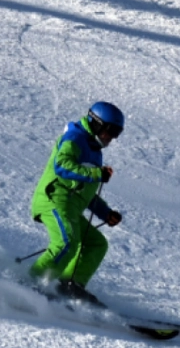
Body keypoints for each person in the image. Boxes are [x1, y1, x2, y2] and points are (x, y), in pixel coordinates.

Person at [28, 101, 125, 305]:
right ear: (97, 123)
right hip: (53, 199)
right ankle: (30, 286)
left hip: (70, 205)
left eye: (117, 133)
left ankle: (69, 285)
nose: (112, 137)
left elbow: (85, 191)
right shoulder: (74, 138)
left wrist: (105, 213)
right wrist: (95, 174)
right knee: (67, 242)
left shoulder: (95, 150)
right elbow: (62, 165)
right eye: (111, 130)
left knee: (96, 243)